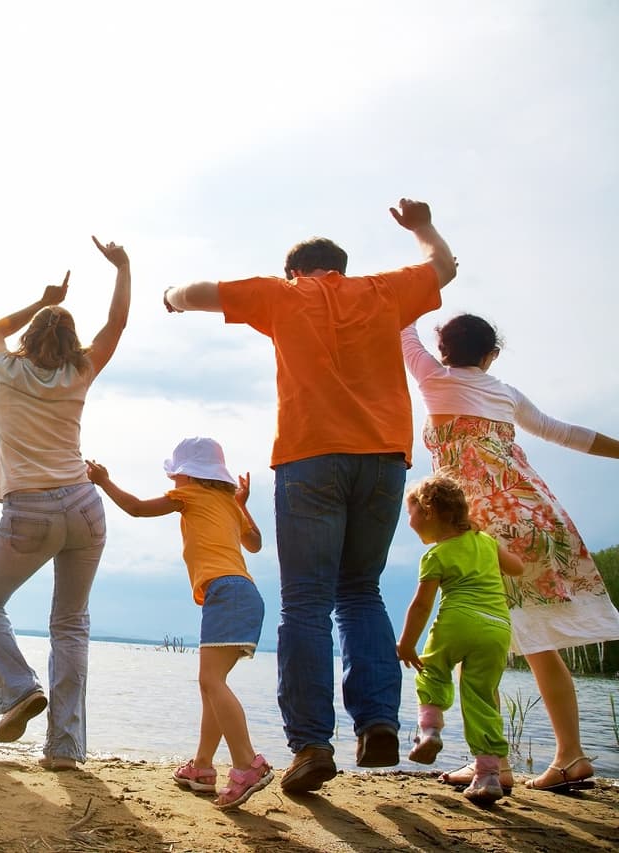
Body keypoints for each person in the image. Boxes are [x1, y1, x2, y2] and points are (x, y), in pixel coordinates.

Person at [162, 199, 457, 793]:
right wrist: (422, 226)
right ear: (341, 268)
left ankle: (312, 744)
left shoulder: (282, 294)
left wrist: (171, 297)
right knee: (361, 591)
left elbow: (199, 292)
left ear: (296, 271)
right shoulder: (384, 291)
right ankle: (377, 722)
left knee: (304, 602)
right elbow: (444, 267)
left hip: (309, 457)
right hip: (383, 459)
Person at [401, 314, 619, 793]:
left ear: (443, 351)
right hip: (536, 515)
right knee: (536, 641)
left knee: (474, 637)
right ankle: (571, 755)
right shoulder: (506, 393)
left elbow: (403, 326)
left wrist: (415, 285)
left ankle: (494, 763)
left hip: (486, 524)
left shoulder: (432, 377)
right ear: (491, 355)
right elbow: (565, 433)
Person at [0, 236, 130, 771]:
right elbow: (116, 326)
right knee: (70, 624)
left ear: (30, 336)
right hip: (84, 506)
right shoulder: (79, 373)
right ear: (70, 343)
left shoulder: (4, 369)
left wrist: (43, 300)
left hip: (29, 511)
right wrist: (122, 267)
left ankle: (18, 689)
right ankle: (64, 749)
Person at [86, 438, 272, 809]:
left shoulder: (189, 495)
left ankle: (248, 764)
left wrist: (104, 481)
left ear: (188, 474)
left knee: (212, 682)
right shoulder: (226, 503)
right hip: (243, 594)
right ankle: (201, 767)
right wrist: (241, 504)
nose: (173, 481)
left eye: (176, 474)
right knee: (211, 685)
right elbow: (255, 543)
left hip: (226, 592)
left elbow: (137, 508)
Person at [396, 475, 524, 804]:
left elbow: (422, 605)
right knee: (481, 699)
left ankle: (429, 732)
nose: (408, 521)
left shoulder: (436, 555)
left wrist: (407, 644)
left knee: (432, 670)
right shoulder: (486, 543)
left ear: (428, 511)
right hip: (497, 628)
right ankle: (488, 775)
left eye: (410, 513)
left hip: (457, 621)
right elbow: (517, 568)